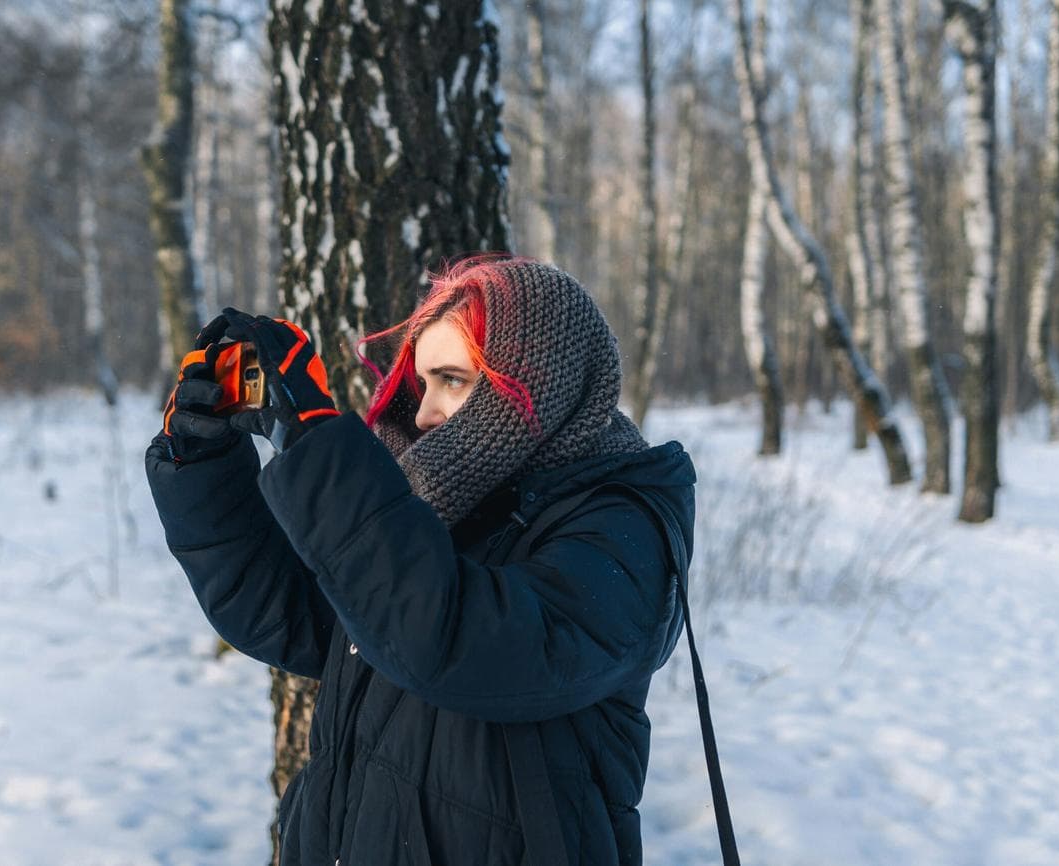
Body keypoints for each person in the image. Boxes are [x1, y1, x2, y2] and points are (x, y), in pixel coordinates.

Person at [145, 255, 696, 866]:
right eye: (421, 383)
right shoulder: (439, 498)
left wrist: (315, 447)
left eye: (454, 379)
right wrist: (201, 463)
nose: (427, 412)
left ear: (540, 380)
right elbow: (298, 617)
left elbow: (456, 643)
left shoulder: (621, 526)